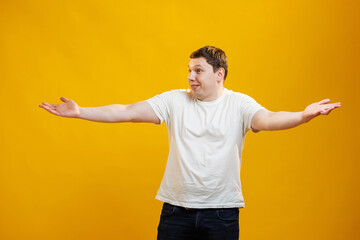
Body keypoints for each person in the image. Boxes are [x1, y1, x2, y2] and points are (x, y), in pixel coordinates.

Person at [39, 46, 341, 240]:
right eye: (189, 70)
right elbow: (127, 111)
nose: (191, 77)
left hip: (221, 213)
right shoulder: (174, 100)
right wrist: (80, 113)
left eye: (198, 70)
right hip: (176, 212)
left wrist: (303, 115)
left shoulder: (239, 104)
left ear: (218, 74)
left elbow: (270, 119)